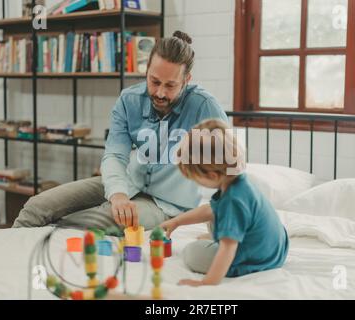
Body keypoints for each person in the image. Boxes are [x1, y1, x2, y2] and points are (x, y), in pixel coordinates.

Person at [12, 31, 228, 230]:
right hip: (127, 182)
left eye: (170, 85)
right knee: (37, 207)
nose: (160, 92)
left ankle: (41, 257)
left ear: (186, 80)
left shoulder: (205, 107)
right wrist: (117, 194)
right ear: (147, 71)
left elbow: (229, 170)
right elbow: (115, 154)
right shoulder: (129, 100)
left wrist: (218, 227)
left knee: (85, 223)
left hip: (167, 205)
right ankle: (2, 265)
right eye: (154, 81)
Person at [160, 119, 289, 286]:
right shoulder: (238, 182)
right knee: (214, 214)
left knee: (192, 253)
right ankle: (223, 235)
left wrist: (207, 282)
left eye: (194, 178)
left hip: (257, 259)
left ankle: (223, 240)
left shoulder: (233, 201)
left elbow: (228, 248)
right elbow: (210, 210)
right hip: (275, 248)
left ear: (212, 176)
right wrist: (177, 221)